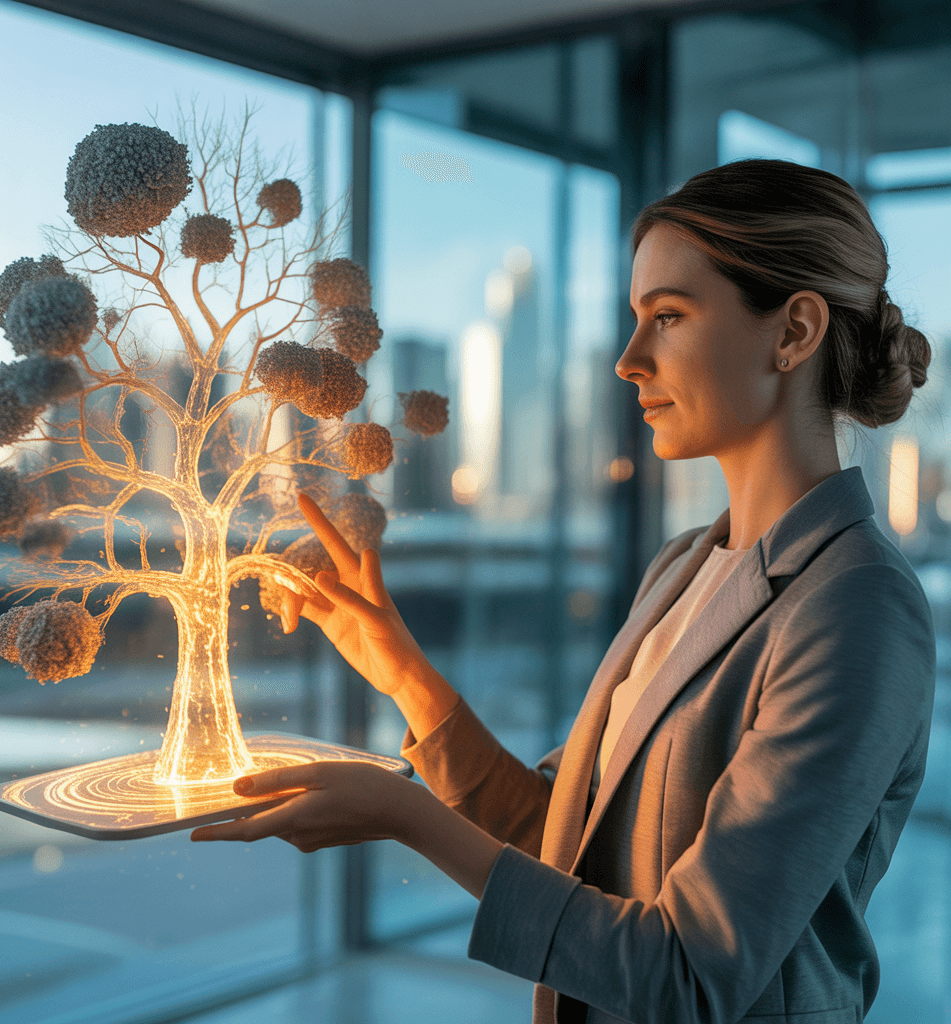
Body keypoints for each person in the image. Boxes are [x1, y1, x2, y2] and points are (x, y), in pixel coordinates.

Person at [192, 159, 937, 1024]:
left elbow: (694, 972)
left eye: (668, 316)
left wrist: (407, 817)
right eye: (635, 319)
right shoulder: (683, 568)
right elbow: (568, 836)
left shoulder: (856, 608)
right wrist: (405, 674)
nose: (628, 360)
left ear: (794, 331)